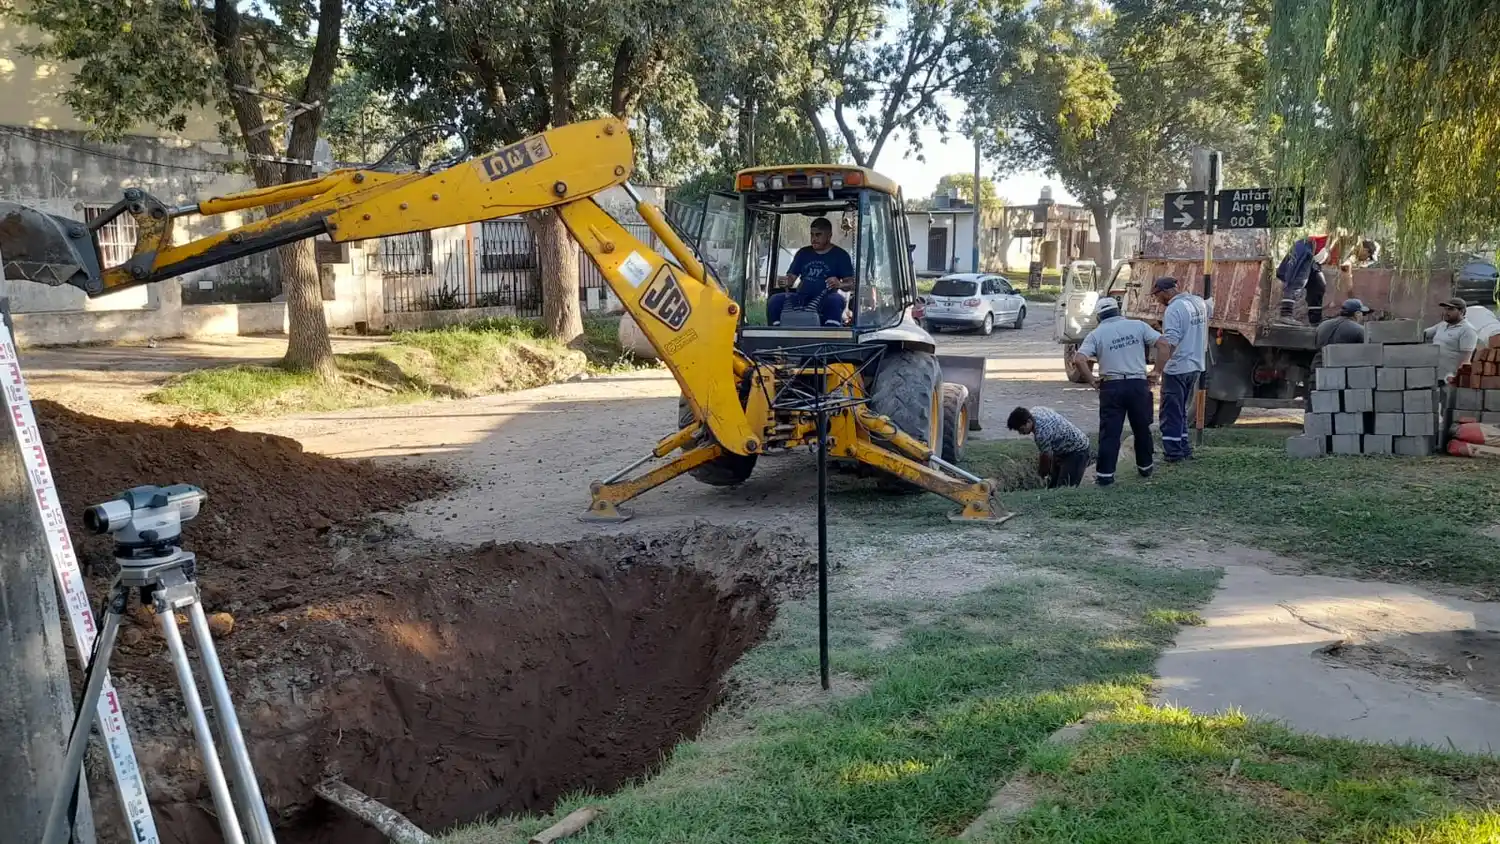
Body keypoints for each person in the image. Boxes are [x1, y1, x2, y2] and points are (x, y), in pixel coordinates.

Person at [1074, 296, 1160, 486]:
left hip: (1111, 386)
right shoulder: (1138, 326)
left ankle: (1105, 476)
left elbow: (1079, 359)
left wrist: (1092, 380)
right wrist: (1157, 371)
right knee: (1142, 428)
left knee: (1110, 432)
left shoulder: (1096, 334)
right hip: (1138, 384)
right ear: (1118, 310)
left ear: (1099, 316)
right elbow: (1164, 344)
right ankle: (1145, 468)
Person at [1148, 277, 1212, 463]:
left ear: (1165, 292)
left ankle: (1173, 453)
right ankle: (1183, 448)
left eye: (1157, 295)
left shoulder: (1174, 309)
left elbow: (1170, 343)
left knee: (1171, 412)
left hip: (1177, 367)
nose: (1157, 300)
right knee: (1181, 410)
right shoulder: (1198, 302)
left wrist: (1157, 371)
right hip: (1195, 365)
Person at [767, 217, 854, 326]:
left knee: (836, 300)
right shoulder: (803, 253)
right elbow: (791, 278)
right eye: (812, 234)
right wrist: (785, 281)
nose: (814, 238)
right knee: (775, 300)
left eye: (818, 235)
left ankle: (830, 336)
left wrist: (840, 284)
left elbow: (851, 284)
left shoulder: (841, 255)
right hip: (801, 297)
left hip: (825, 299)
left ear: (829, 236)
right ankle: (776, 333)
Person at [1007, 406, 1091, 488]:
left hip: (1078, 450)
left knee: (1065, 487)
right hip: (1063, 445)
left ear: (1029, 421)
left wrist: (1042, 474)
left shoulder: (1041, 434)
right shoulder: (1036, 410)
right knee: (1053, 484)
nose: (1021, 433)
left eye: (1021, 429)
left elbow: (1046, 456)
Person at [1274, 234, 1329, 326]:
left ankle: (1315, 319)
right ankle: (1286, 314)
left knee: (1318, 285)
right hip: (1307, 247)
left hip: (1315, 255)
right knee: (1297, 280)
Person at [1426, 297, 1479, 383]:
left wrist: (1456, 378)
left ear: (1461, 312)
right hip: (1434, 375)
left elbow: (1465, 360)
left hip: (1449, 379)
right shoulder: (1442, 325)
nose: (1446, 312)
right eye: (1445, 309)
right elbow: (1423, 334)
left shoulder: (1467, 330)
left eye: (1450, 309)